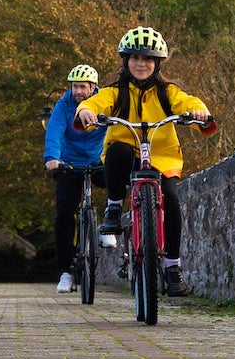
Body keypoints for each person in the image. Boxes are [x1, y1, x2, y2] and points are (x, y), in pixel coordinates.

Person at [74, 26, 213, 297]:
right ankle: (114, 207)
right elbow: (95, 103)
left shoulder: (167, 91)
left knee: (171, 200)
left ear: (157, 63)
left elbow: (187, 101)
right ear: (126, 61)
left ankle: (173, 267)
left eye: (148, 59)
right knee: (118, 150)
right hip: (126, 155)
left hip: (162, 157)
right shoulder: (116, 91)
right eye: (135, 58)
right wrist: (86, 112)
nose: (141, 64)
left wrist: (199, 112)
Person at [44, 64, 106, 293]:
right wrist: (52, 157)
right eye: (74, 86)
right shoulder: (64, 105)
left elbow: (114, 129)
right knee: (63, 213)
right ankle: (66, 272)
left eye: (82, 87)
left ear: (93, 87)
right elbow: (55, 130)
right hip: (69, 163)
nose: (77, 91)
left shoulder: (103, 102)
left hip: (98, 160)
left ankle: (108, 226)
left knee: (120, 181)